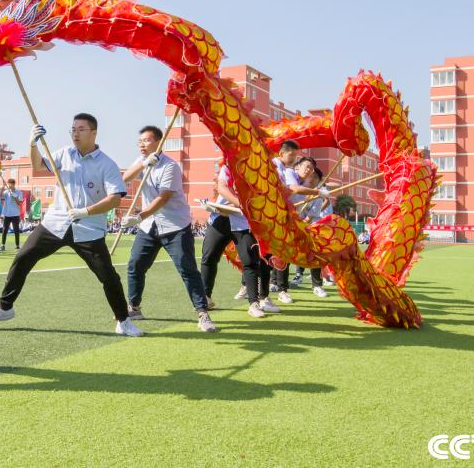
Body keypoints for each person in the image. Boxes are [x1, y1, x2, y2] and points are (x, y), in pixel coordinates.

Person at [0, 113, 142, 337]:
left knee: (108, 276)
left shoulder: (107, 164)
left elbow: (115, 199)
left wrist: (86, 211)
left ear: (94, 133)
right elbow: (37, 166)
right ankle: (5, 307)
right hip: (55, 223)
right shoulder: (64, 154)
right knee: (23, 258)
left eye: (81, 129)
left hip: (88, 228)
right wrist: (33, 143)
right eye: (73, 129)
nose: (75, 133)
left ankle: (123, 321)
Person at [119, 126, 216, 332]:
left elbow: (163, 198)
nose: (141, 144)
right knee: (135, 265)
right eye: (140, 141)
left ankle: (203, 313)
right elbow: (124, 179)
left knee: (187, 269)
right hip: (149, 226)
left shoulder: (170, 167)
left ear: (158, 142)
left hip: (175, 226)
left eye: (146, 140)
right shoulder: (142, 161)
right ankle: (134, 307)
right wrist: (144, 164)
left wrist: (138, 217)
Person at [198, 159, 279, 318]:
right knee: (209, 257)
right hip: (221, 217)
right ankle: (205, 297)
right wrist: (241, 204)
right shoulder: (228, 167)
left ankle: (254, 303)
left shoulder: (258, 172)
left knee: (250, 262)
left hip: (243, 222)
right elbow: (222, 188)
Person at [271, 156, 331, 303]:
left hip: (305, 228)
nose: (311, 178)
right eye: (307, 168)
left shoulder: (317, 197)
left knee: (313, 254)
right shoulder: (292, 179)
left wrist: (299, 224)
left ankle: (317, 285)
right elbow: (292, 192)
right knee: (281, 255)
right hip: (285, 223)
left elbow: (309, 218)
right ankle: (279, 286)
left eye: (315, 177)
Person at [0, 178, 24, 251]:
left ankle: (17, 246)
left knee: (16, 230)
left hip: (15, 214)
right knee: (4, 230)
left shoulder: (19, 192)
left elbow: (19, 203)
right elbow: (0, 196)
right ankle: (2, 245)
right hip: (7, 214)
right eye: (8, 184)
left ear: (13, 184)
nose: (9, 185)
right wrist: (3, 186)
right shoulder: (6, 192)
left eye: (10, 184)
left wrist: (15, 197)